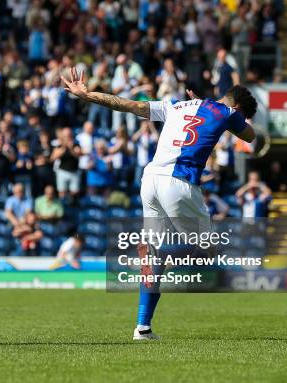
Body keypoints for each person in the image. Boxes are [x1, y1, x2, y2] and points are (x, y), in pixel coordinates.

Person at [61, 67, 256, 341]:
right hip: (179, 182)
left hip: (150, 180)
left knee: (152, 263)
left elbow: (128, 105)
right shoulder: (229, 113)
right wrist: (232, 117)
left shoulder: (176, 105)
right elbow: (250, 136)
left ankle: (142, 328)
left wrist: (87, 94)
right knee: (208, 250)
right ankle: (161, 255)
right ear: (237, 106)